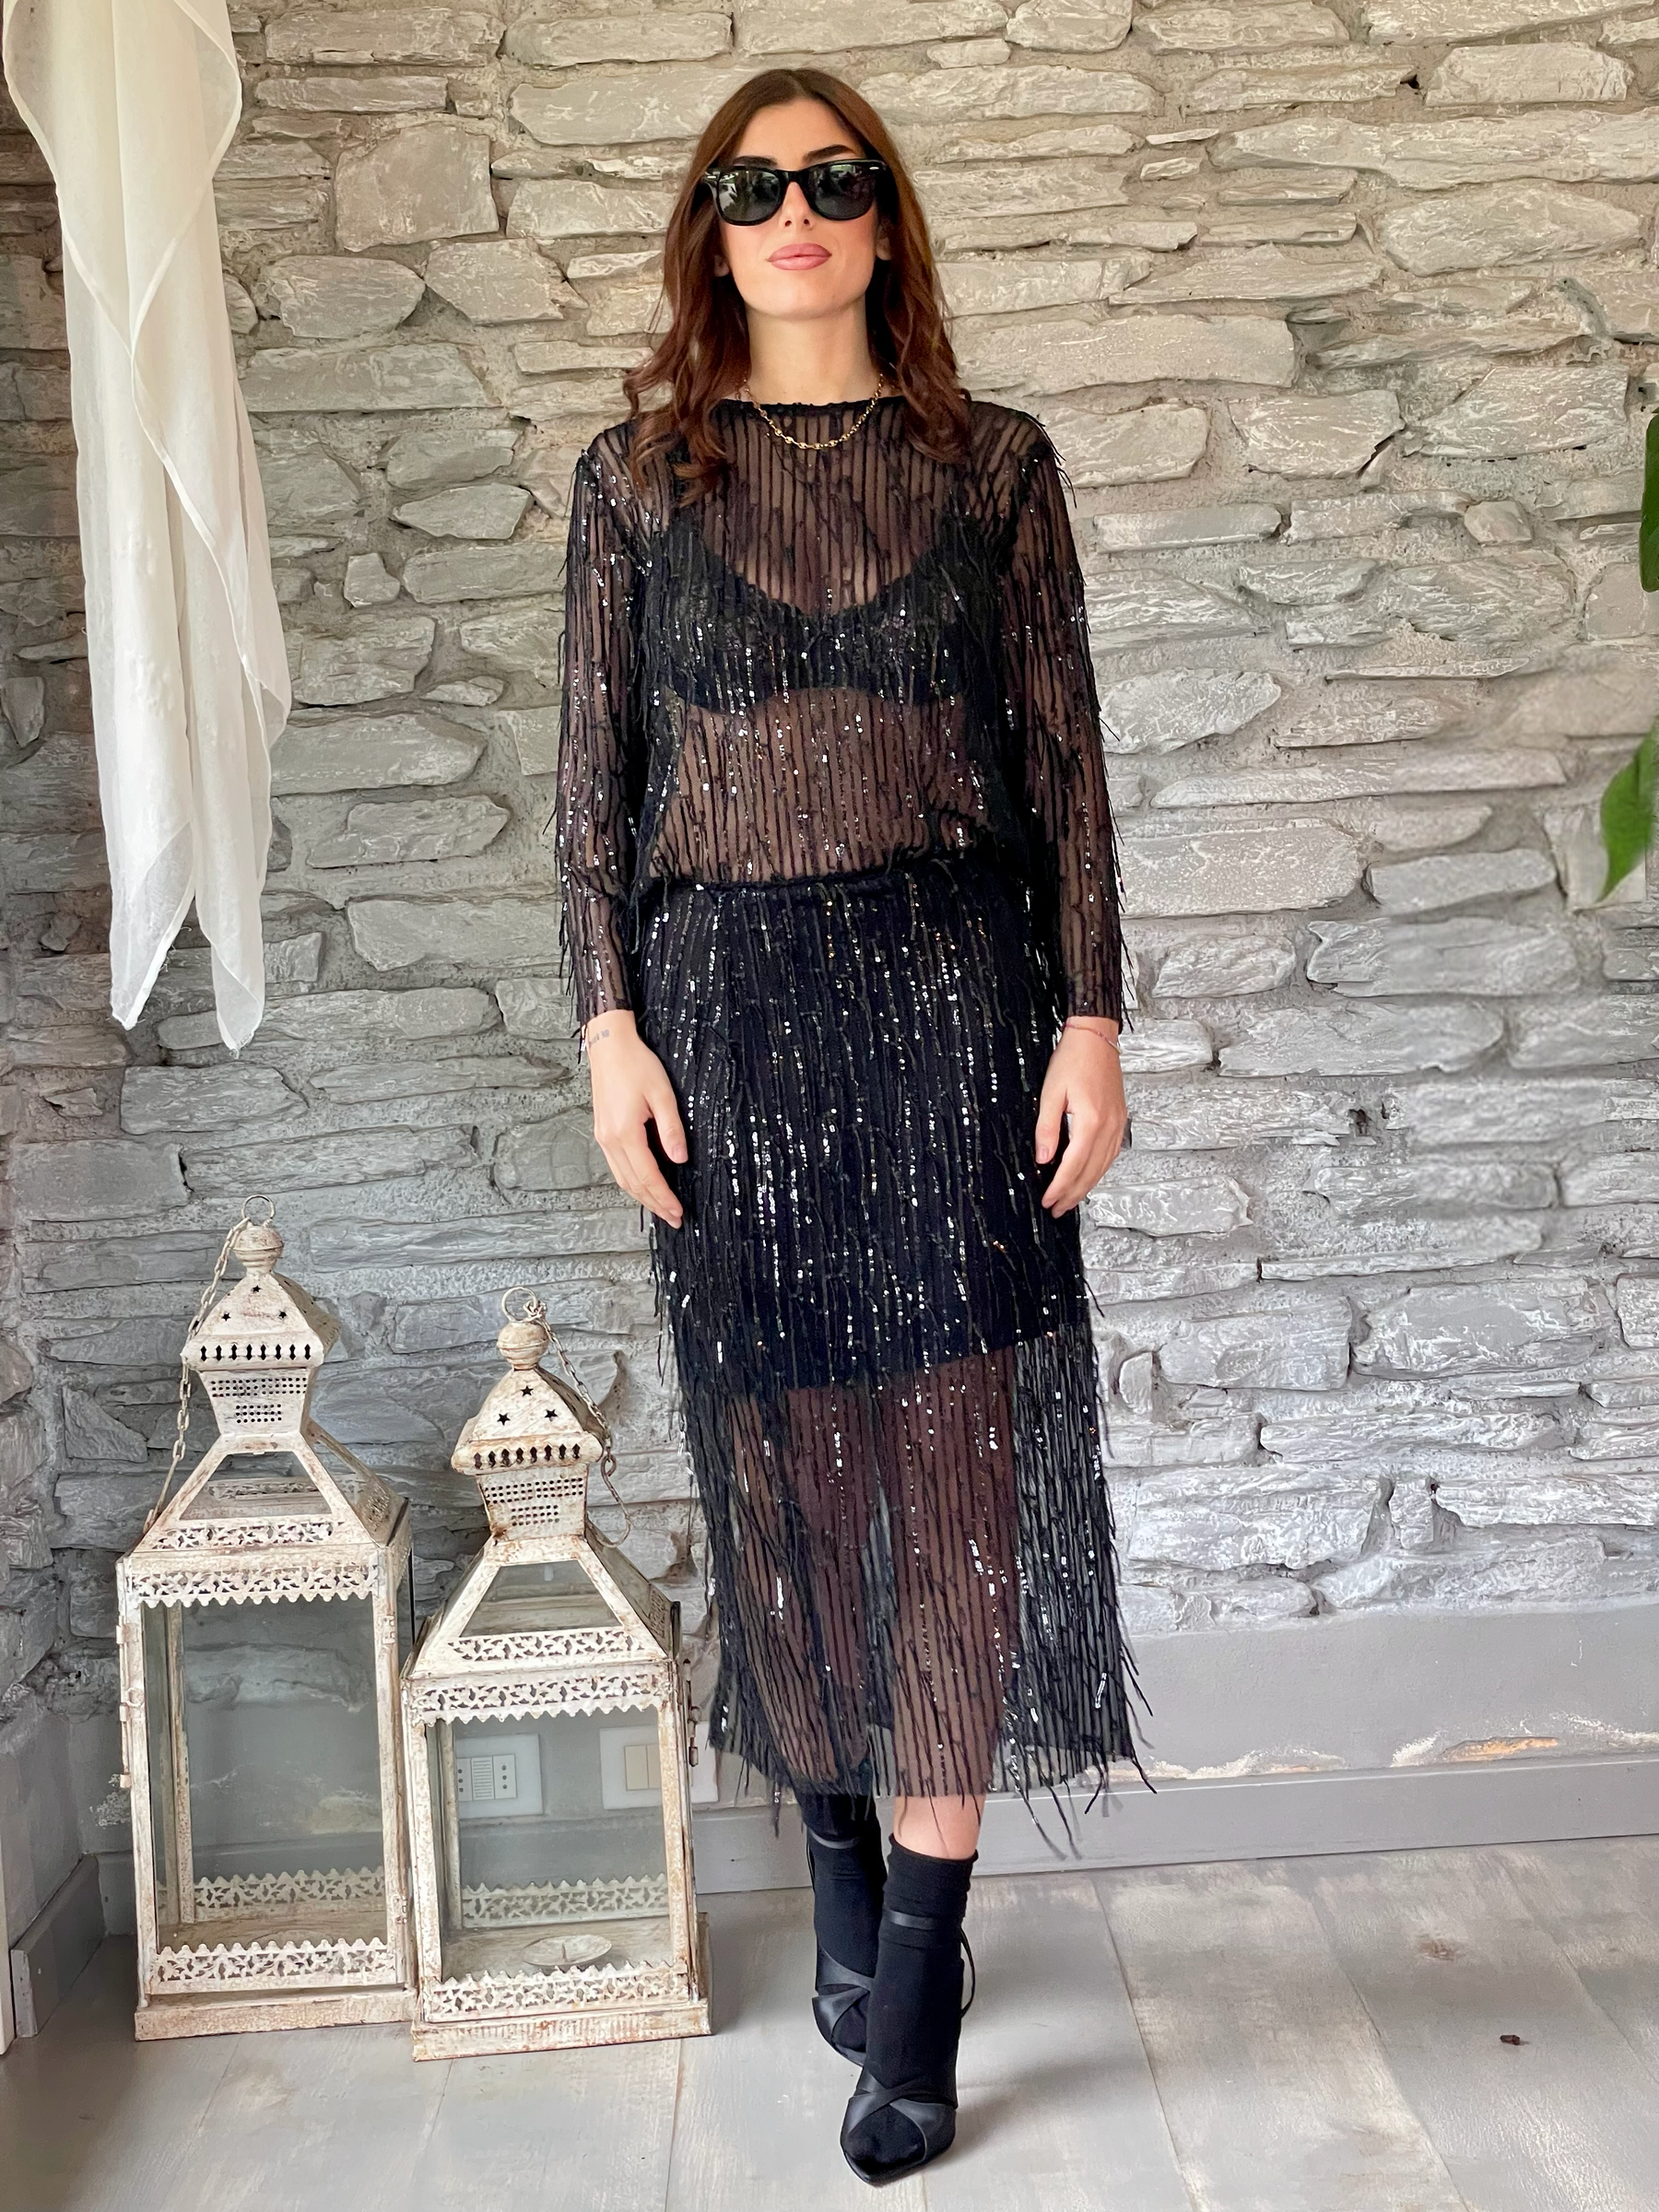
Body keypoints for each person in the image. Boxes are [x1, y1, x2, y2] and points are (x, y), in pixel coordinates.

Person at [553, 64, 1151, 2185]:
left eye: (832, 178)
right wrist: (610, 1030)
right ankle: (834, 1852)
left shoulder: (997, 469)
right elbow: (592, 794)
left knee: (958, 1485)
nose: (792, 210)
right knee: (784, 1474)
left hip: (958, 1015)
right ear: (711, 237)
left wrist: (1094, 1021)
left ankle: (920, 1974)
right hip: (728, 1031)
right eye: (751, 184)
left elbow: (1068, 768)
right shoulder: (635, 485)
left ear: (886, 220)